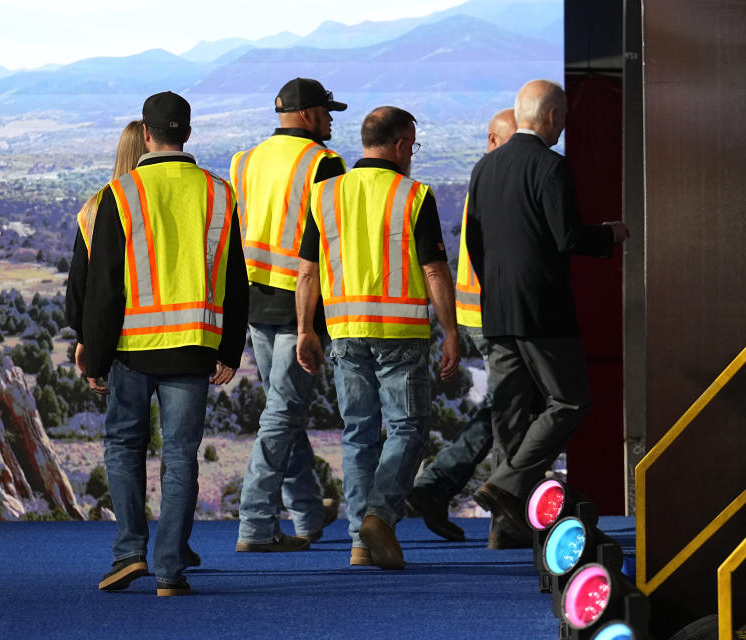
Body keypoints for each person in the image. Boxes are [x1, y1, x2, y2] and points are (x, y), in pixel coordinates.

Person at [78, 91, 248, 595]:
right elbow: (235, 279)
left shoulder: (119, 193)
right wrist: (230, 348)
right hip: (194, 348)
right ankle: (171, 570)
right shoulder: (219, 193)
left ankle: (130, 552)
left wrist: (97, 354)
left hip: (132, 350)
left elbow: (105, 287)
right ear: (187, 134)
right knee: (181, 456)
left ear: (146, 135)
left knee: (125, 446)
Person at [465, 80, 628, 547]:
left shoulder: (485, 167)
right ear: (553, 116)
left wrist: (497, 287)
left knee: (510, 416)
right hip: (543, 309)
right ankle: (510, 484)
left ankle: (505, 529)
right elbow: (569, 237)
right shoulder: (551, 166)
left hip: (496, 309)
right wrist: (611, 234)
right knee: (569, 401)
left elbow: (476, 243)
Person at [296, 106, 460, 570]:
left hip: (345, 333)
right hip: (400, 334)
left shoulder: (325, 195)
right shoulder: (413, 195)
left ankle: (360, 544)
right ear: (403, 144)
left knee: (359, 435)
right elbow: (433, 269)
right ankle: (379, 516)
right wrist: (450, 331)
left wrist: (305, 329)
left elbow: (307, 272)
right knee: (408, 429)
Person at [229, 78, 346, 552]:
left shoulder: (244, 160)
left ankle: (307, 513)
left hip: (254, 302)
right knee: (282, 413)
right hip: (301, 304)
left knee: (283, 408)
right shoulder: (324, 163)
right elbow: (330, 245)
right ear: (305, 113)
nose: (332, 118)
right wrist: (312, 323)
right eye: (326, 110)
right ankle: (255, 522)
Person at [405, 108, 516, 545]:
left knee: (508, 408)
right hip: (493, 316)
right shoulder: (499, 179)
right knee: (508, 411)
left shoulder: (487, 176)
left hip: (482, 314)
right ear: (491, 139)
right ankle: (495, 515)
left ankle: (451, 493)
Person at [66, 119, 146, 382]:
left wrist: (85, 339)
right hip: (166, 339)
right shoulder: (158, 207)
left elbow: (81, 283)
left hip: (115, 341)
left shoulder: (94, 207)